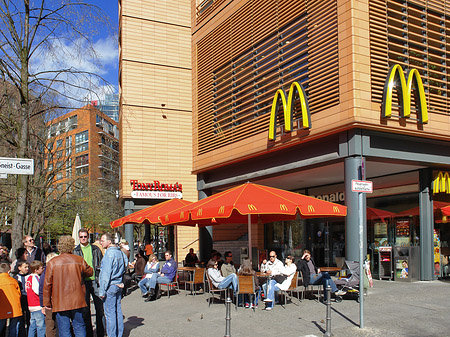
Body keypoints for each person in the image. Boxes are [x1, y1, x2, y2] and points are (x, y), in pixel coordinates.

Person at [43, 235, 93, 337]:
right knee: (79, 326)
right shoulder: (78, 260)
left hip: (60, 301)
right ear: (72, 246)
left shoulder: (53, 262)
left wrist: (47, 303)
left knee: (64, 329)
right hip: (77, 299)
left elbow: (47, 284)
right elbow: (90, 272)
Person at [73, 228, 105, 337]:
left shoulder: (95, 249)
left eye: (85, 236)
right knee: (85, 310)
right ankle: (89, 333)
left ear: (88, 237)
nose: (83, 238)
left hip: (95, 280)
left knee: (99, 308)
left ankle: (101, 332)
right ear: (79, 237)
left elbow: (101, 264)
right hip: (82, 283)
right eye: (81, 237)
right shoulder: (75, 251)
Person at [99, 233, 128, 337]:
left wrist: (102, 291)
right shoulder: (120, 252)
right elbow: (126, 264)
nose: (100, 242)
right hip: (118, 284)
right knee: (117, 311)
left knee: (110, 314)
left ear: (109, 241)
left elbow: (106, 275)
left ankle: (112, 335)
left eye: (102, 240)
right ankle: (119, 334)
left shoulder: (109, 254)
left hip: (111, 285)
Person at [0, 260, 22, 337]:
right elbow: (19, 294)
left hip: (2, 308)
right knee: (13, 329)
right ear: (9, 271)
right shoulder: (13, 281)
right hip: (15, 307)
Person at [38, 253, 58, 337]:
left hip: (50, 301)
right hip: (51, 301)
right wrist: (43, 304)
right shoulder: (47, 273)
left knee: (51, 323)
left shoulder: (44, 273)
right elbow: (42, 290)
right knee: (51, 323)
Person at [25, 261, 45, 337]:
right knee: (41, 326)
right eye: (41, 268)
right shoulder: (35, 278)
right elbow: (38, 291)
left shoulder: (28, 278)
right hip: (37, 305)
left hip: (31, 305)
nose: (43, 269)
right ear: (36, 270)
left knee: (32, 325)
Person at [13, 260, 30, 335]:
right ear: (19, 268)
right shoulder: (16, 277)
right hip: (20, 300)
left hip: (29, 299)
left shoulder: (30, 276)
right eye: (25, 267)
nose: (27, 269)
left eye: (28, 267)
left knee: (29, 318)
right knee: (21, 319)